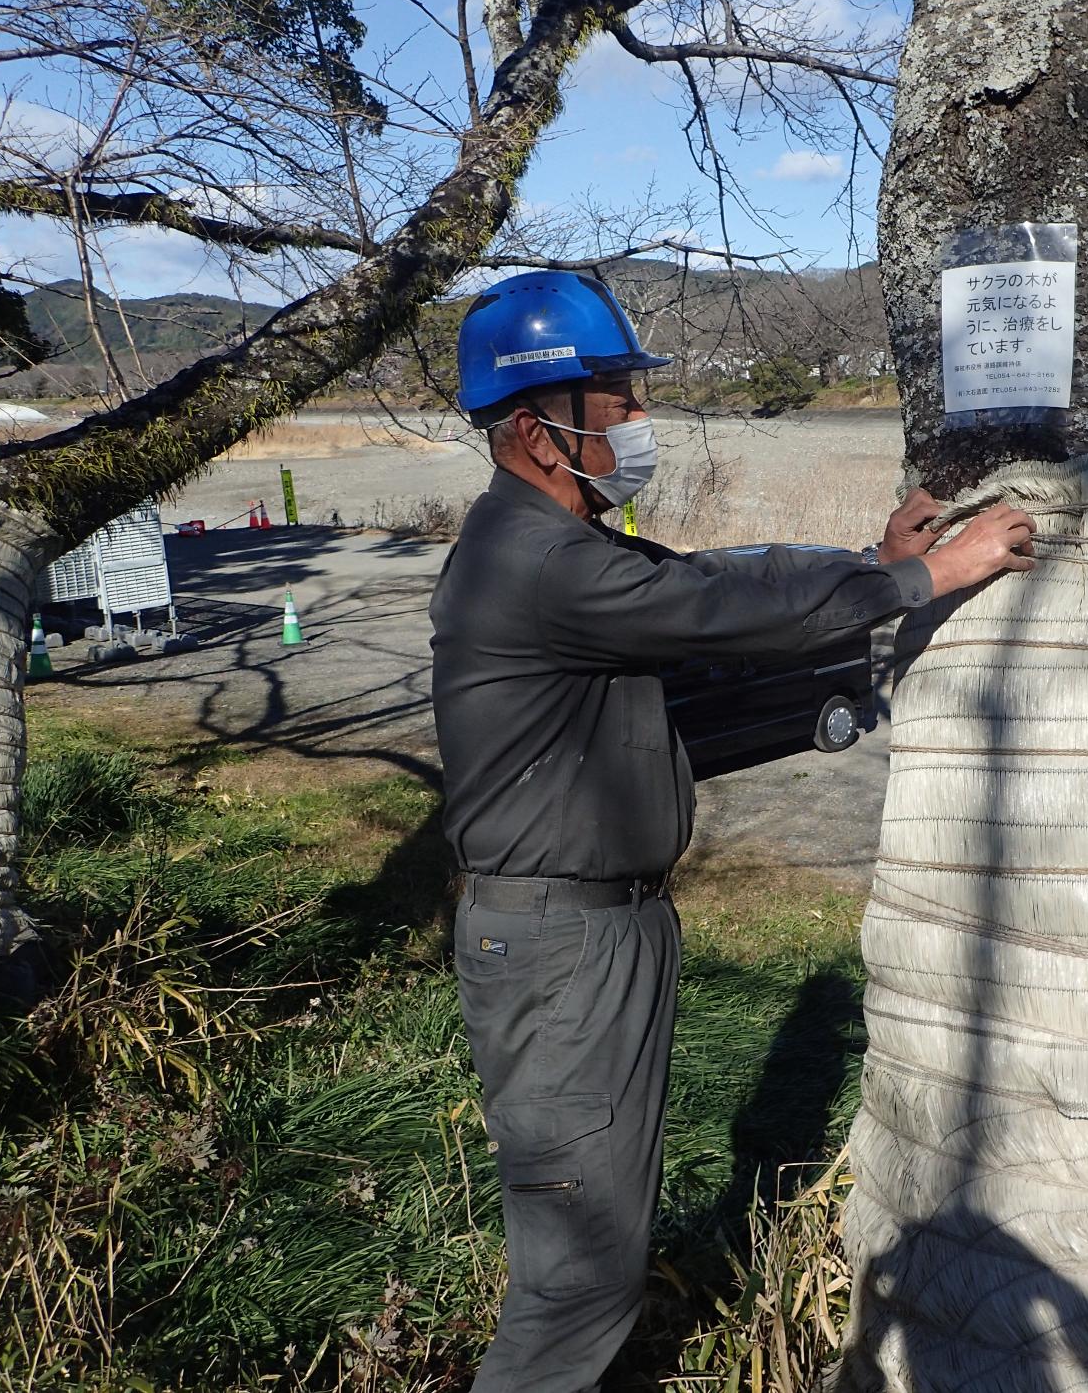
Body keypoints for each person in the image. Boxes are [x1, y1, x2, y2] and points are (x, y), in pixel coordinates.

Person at [428, 270, 1034, 1393]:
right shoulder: (538, 559)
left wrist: (871, 560)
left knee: (598, 1245)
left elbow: (714, 579)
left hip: (591, 933)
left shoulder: (558, 545)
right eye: (610, 404)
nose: (634, 423)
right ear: (532, 431)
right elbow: (720, 612)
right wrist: (928, 573)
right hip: (563, 950)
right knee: (574, 1278)